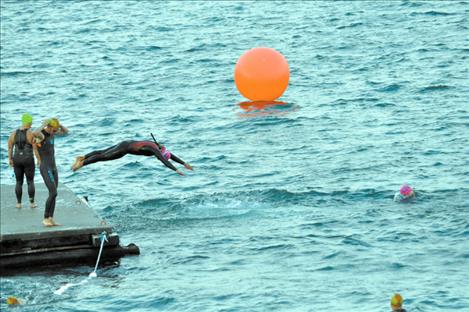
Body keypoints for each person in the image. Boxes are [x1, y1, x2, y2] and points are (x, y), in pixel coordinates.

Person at [71, 139, 193, 175]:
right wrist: (176, 170)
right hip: (124, 149)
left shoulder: (158, 146)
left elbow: (171, 156)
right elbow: (165, 161)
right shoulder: (154, 150)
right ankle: (82, 164)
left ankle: (82, 157)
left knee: (102, 151)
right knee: (103, 157)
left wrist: (183, 163)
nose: (159, 157)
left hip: (125, 142)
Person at [32, 118, 69, 227]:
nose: (54, 132)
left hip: (53, 167)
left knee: (53, 194)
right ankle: (45, 218)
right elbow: (34, 132)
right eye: (53, 130)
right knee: (53, 193)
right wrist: (43, 124)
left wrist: (59, 125)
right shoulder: (41, 135)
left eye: (55, 130)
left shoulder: (52, 133)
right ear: (48, 127)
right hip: (45, 167)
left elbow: (66, 132)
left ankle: (51, 218)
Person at [7, 113, 39, 208]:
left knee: (18, 182)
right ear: (29, 122)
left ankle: (18, 203)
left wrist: (10, 159)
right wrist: (39, 159)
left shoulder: (13, 133)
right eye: (31, 122)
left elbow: (9, 147)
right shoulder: (30, 133)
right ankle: (32, 203)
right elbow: (35, 149)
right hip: (28, 159)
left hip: (17, 158)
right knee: (30, 181)